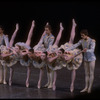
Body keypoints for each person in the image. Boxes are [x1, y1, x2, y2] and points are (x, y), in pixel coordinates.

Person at [66, 29, 96, 93]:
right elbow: (75, 45)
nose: (81, 36)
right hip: (85, 59)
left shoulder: (92, 41)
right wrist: (67, 49)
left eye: (82, 35)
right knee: (86, 73)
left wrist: (86, 50)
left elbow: (92, 50)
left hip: (91, 58)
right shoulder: (81, 41)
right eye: (81, 35)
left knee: (91, 73)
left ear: (86, 35)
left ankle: (89, 88)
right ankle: (86, 87)